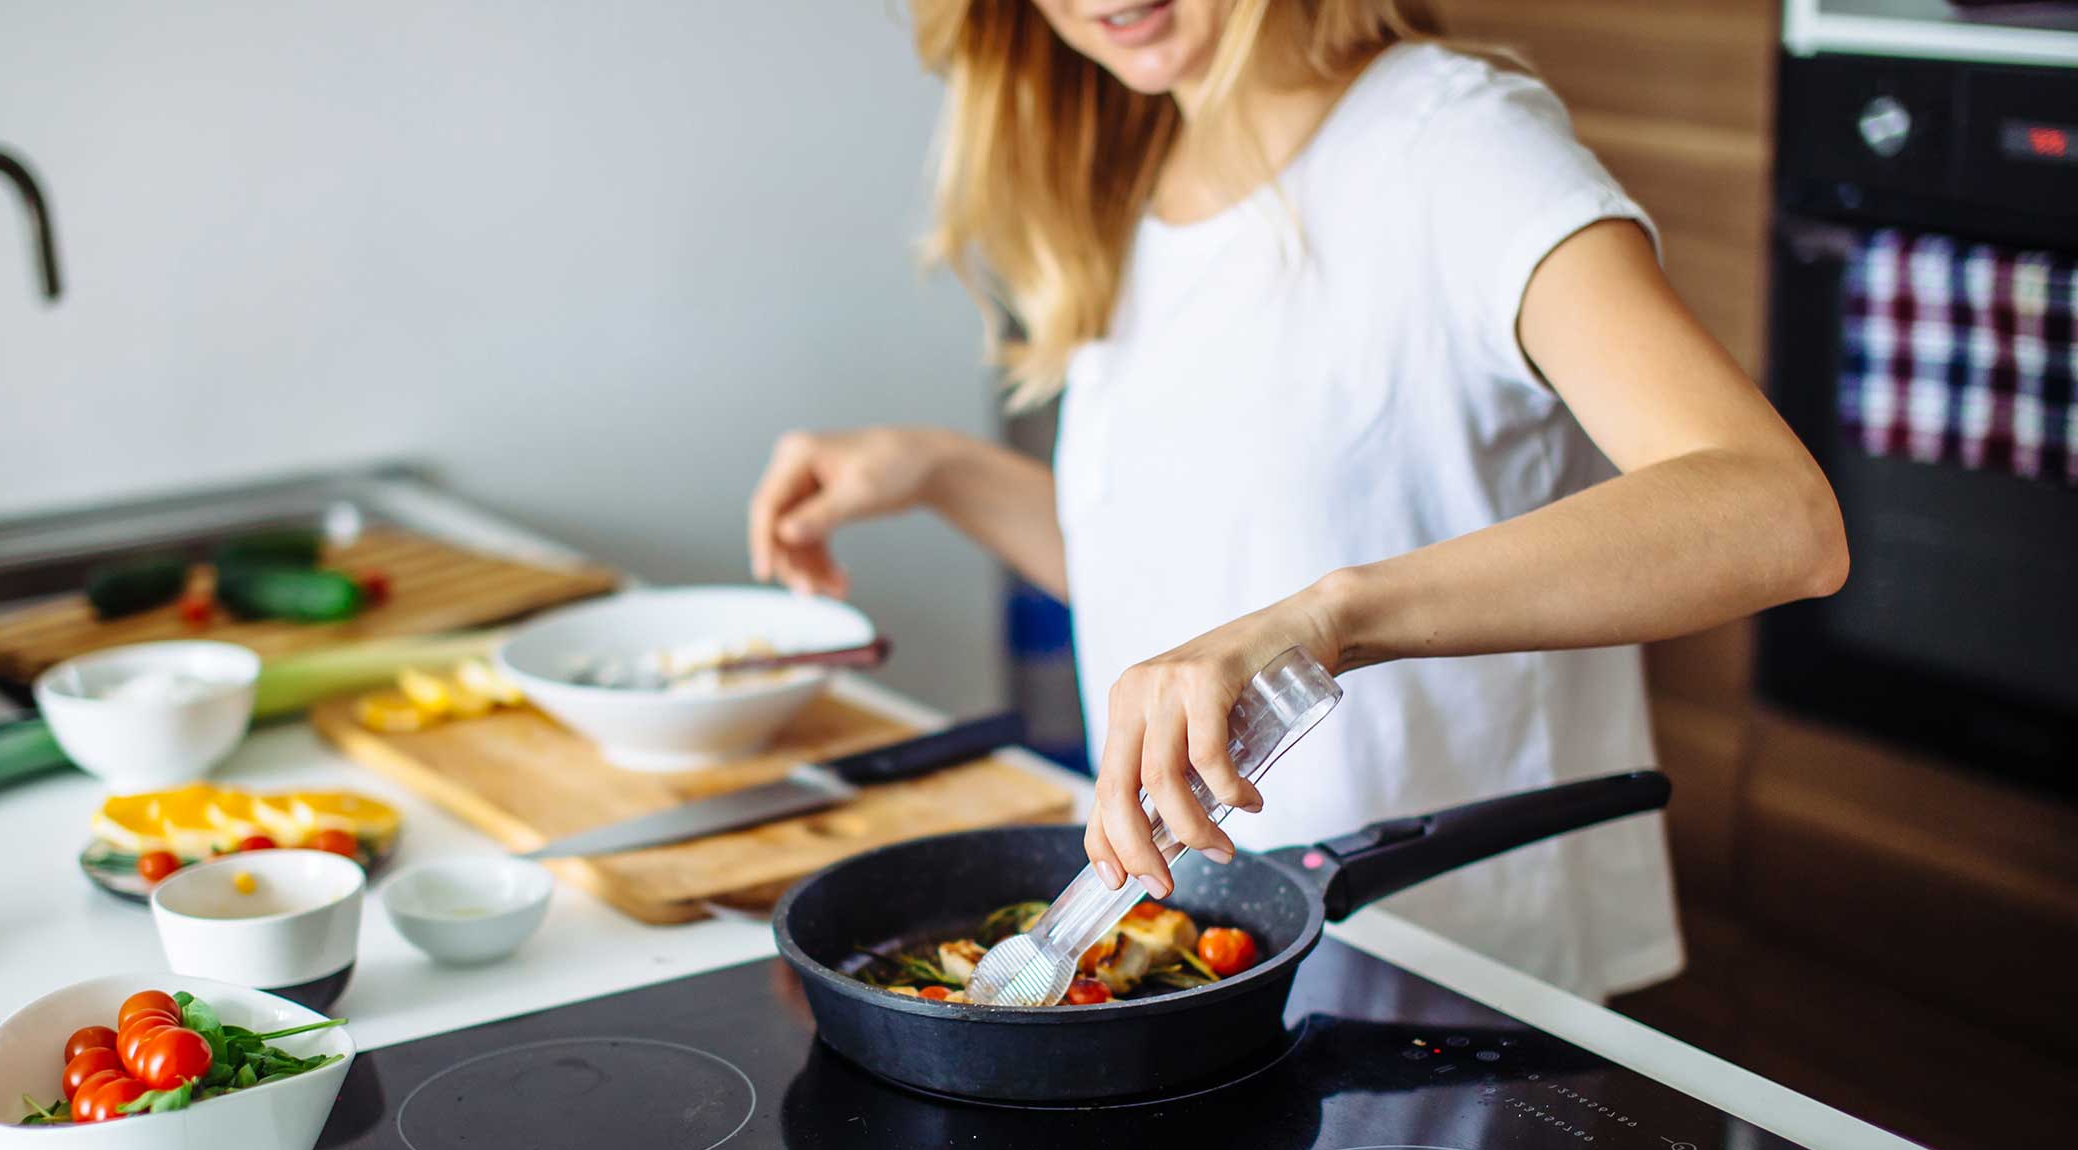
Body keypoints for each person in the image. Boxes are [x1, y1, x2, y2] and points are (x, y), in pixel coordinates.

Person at [746, 0, 1846, 1002]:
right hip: (1202, 967)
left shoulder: (1458, 146)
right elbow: (1191, 588)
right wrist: (943, 469)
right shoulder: (1150, 169)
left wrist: (1326, 623)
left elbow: (1775, 516)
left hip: (1437, 972)